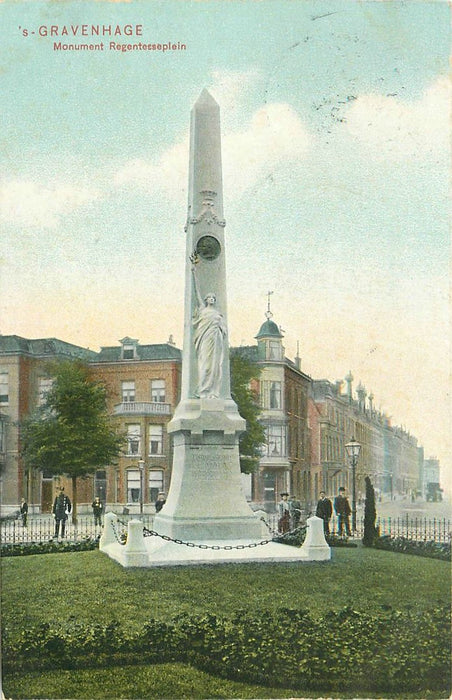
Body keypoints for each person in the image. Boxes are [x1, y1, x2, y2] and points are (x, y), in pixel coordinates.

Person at [191, 255, 227, 399]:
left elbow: (223, 328)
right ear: (206, 300)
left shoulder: (218, 313)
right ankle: (202, 391)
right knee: (206, 366)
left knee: (215, 367)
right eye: (209, 297)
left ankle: (213, 392)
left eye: (213, 298)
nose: (211, 299)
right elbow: (197, 291)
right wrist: (194, 271)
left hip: (216, 339)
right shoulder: (202, 309)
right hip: (205, 339)